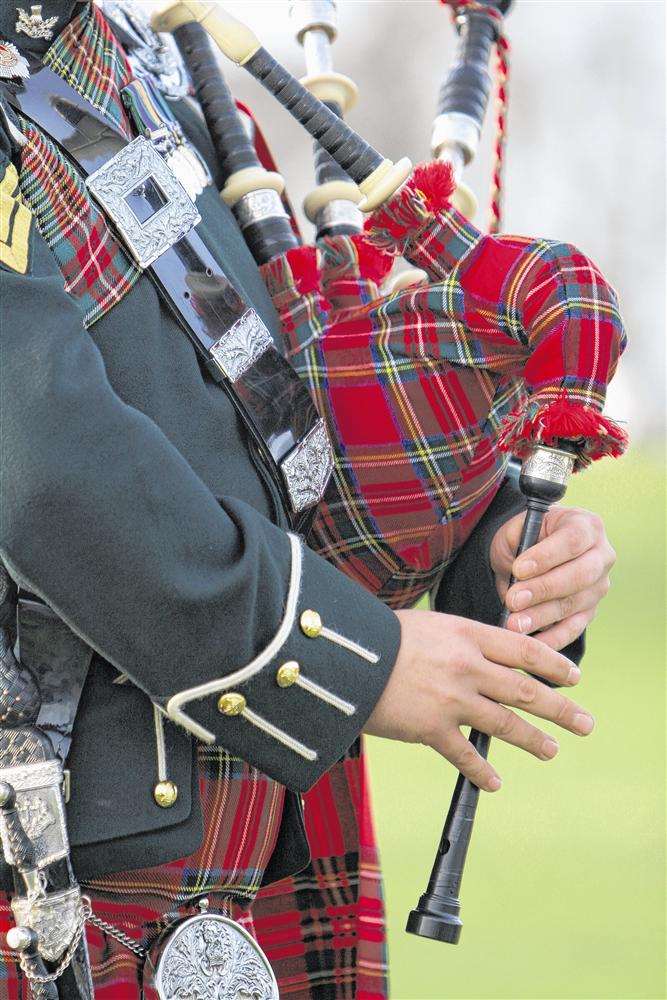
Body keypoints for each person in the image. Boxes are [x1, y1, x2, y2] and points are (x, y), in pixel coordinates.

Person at [0, 3, 616, 997]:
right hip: (63, 867)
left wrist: (487, 543)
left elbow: (261, 408)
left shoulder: (125, 64)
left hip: (260, 840)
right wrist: (342, 662)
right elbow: (42, 468)